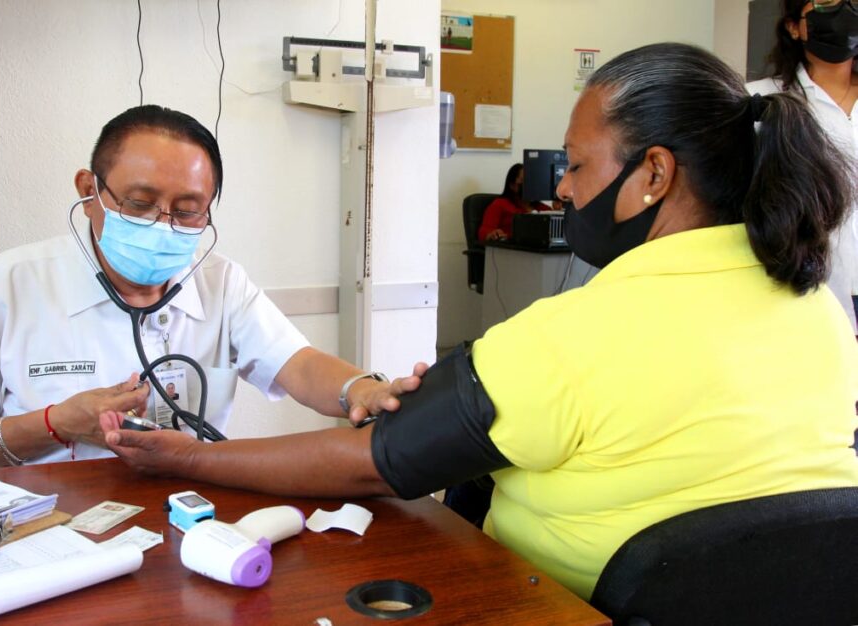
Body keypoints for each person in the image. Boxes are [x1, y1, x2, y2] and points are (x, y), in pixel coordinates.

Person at [100, 44, 858, 600]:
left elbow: (368, 462)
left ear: (653, 174)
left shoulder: (575, 336)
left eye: (577, 165)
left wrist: (184, 460)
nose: (560, 188)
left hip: (560, 607)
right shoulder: (819, 310)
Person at [0, 105, 424, 468]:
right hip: (48, 523)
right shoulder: (12, 284)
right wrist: (55, 423)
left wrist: (363, 388)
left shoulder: (220, 281)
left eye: (187, 210)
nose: (162, 225)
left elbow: (299, 364)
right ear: (90, 191)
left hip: (186, 515)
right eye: (139, 203)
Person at [747, 0, 858, 334]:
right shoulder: (762, 100)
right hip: (805, 288)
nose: (843, 16)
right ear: (794, 27)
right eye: (826, 5)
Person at [476, 163, 555, 242]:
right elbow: (483, 233)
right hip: (510, 251)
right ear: (512, 185)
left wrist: (559, 211)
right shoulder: (500, 204)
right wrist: (493, 234)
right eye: (525, 181)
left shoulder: (544, 209)